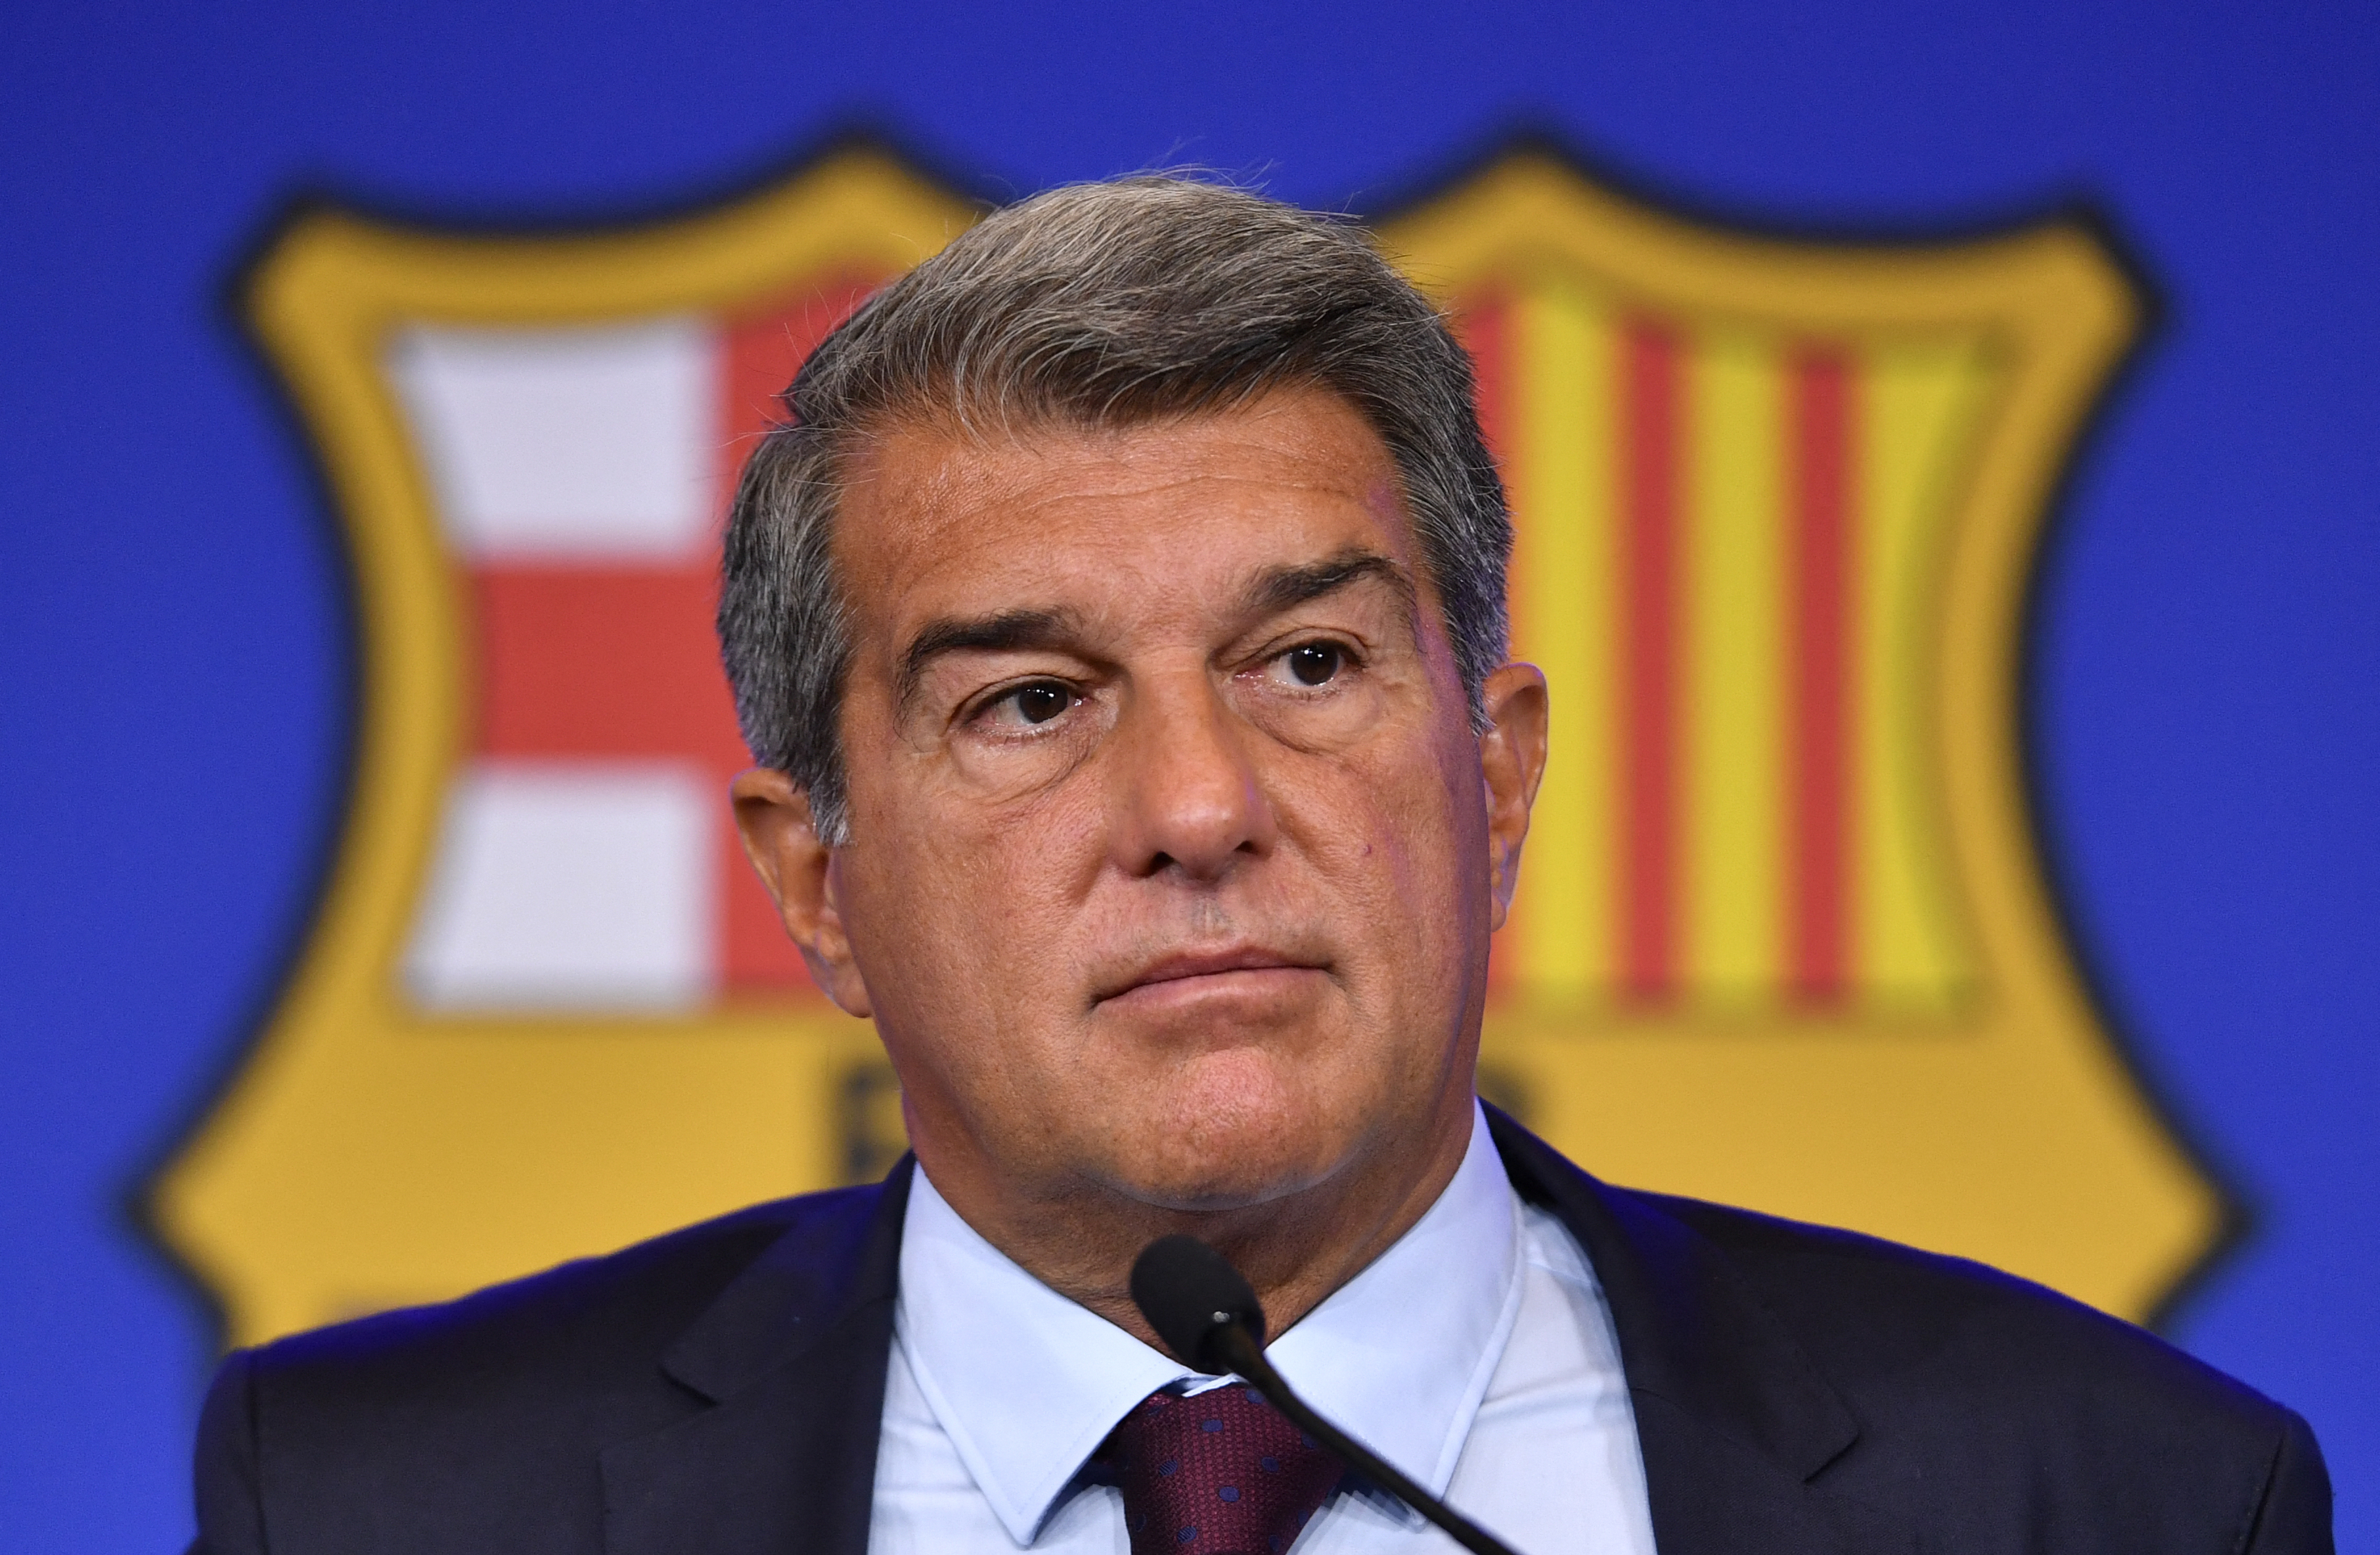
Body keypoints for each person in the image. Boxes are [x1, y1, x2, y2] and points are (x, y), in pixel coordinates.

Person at [189, 176, 2332, 1555]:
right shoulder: (386, 1508)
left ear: (1494, 785)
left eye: (1307, 661)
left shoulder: (2108, 1500)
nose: (1200, 807)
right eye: (1030, 702)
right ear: (816, 885)